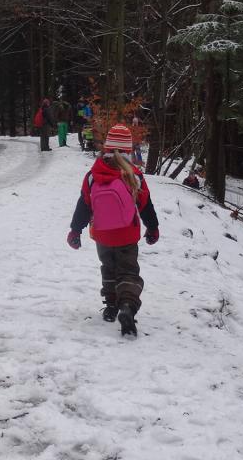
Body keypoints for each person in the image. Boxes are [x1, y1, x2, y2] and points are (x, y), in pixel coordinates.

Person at [66, 123, 160, 337]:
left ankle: (111, 306)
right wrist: (152, 228)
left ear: (107, 147)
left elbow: (84, 204)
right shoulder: (133, 175)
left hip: (102, 234)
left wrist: (75, 230)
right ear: (128, 149)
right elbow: (146, 205)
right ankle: (127, 305)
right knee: (128, 271)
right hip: (126, 234)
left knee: (108, 267)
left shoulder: (93, 174)